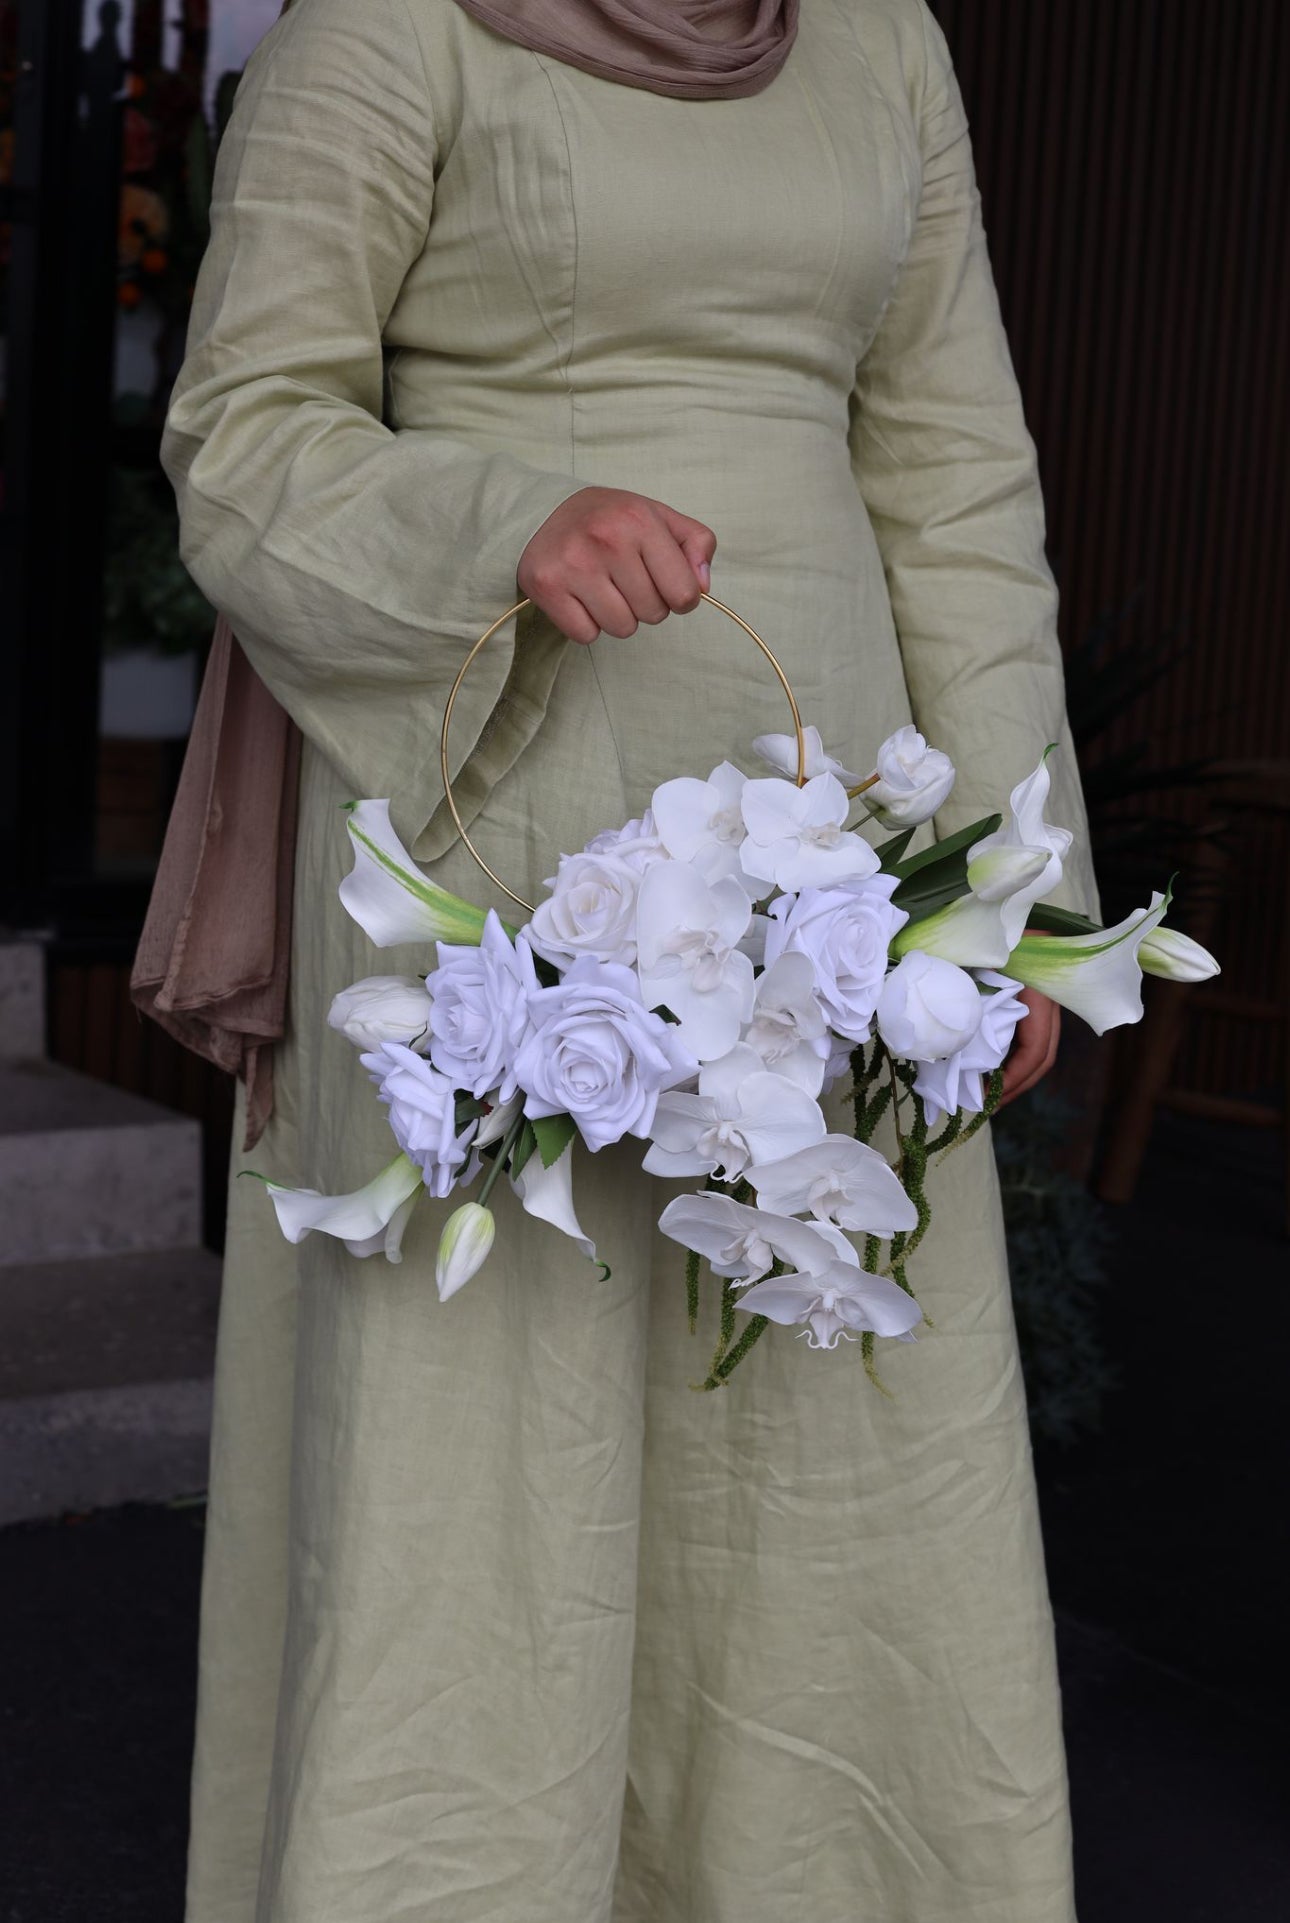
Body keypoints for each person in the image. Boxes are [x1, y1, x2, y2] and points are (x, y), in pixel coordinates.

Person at [159, 0, 1100, 1916]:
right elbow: (244, 432)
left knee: (822, 1453)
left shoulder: (879, 39)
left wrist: (1016, 893)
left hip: (835, 852)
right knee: (497, 1473)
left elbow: (954, 474)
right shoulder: (388, 24)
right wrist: (508, 518)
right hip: (494, 837)